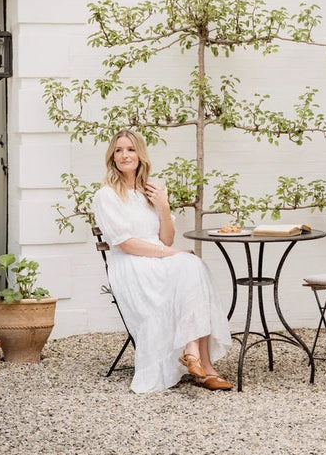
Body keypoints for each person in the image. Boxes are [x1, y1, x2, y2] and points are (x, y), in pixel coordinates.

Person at [92, 129, 233, 393]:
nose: (125, 155)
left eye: (131, 149)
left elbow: (166, 239)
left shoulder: (151, 191)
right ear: (112, 156)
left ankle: (194, 356)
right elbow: (126, 243)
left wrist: (164, 206)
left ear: (140, 154)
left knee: (194, 267)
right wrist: (173, 254)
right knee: (191, 264)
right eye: (119, 150)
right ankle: (205, 366)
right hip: (132, 263)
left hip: (158, 259)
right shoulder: (107, 195)